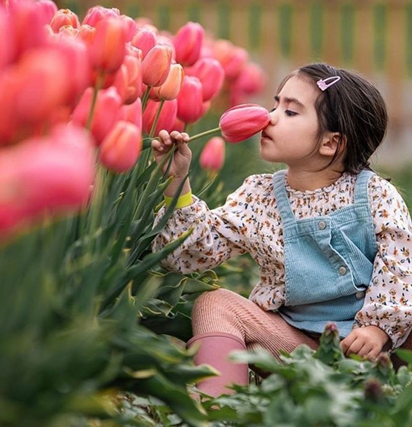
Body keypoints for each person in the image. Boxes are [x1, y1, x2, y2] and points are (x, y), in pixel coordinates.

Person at [151, 63, 412, 397]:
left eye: (290, 112)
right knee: (214, 304)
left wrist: (378, 329)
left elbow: (399, 271)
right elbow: (194, 254)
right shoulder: (260, 197)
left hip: (370, 353)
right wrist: (177, 182)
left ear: (331, 143)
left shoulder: (374, 195)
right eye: (275, 104)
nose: (268, 117)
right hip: (293, 349)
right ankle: (217, 405)